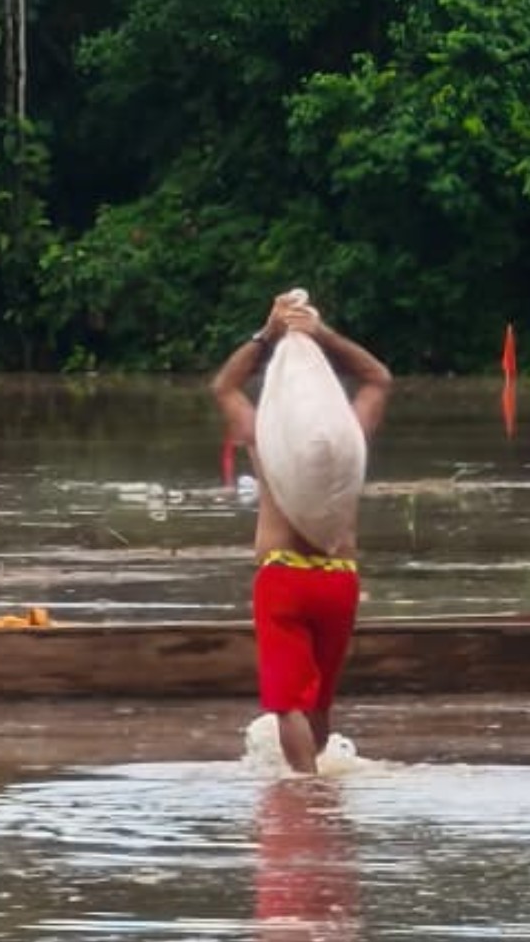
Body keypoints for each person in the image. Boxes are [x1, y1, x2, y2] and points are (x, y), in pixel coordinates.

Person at [211, 293, 392, 774]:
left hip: (284, 578)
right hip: (340, 579)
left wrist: (266, 335)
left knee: (286, 702)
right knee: (320, 704)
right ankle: (316, 787)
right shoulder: (349, 434)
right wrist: (322, 334)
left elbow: (225, 388)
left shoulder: (261, 434)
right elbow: (379, 378)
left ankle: (305, 792)